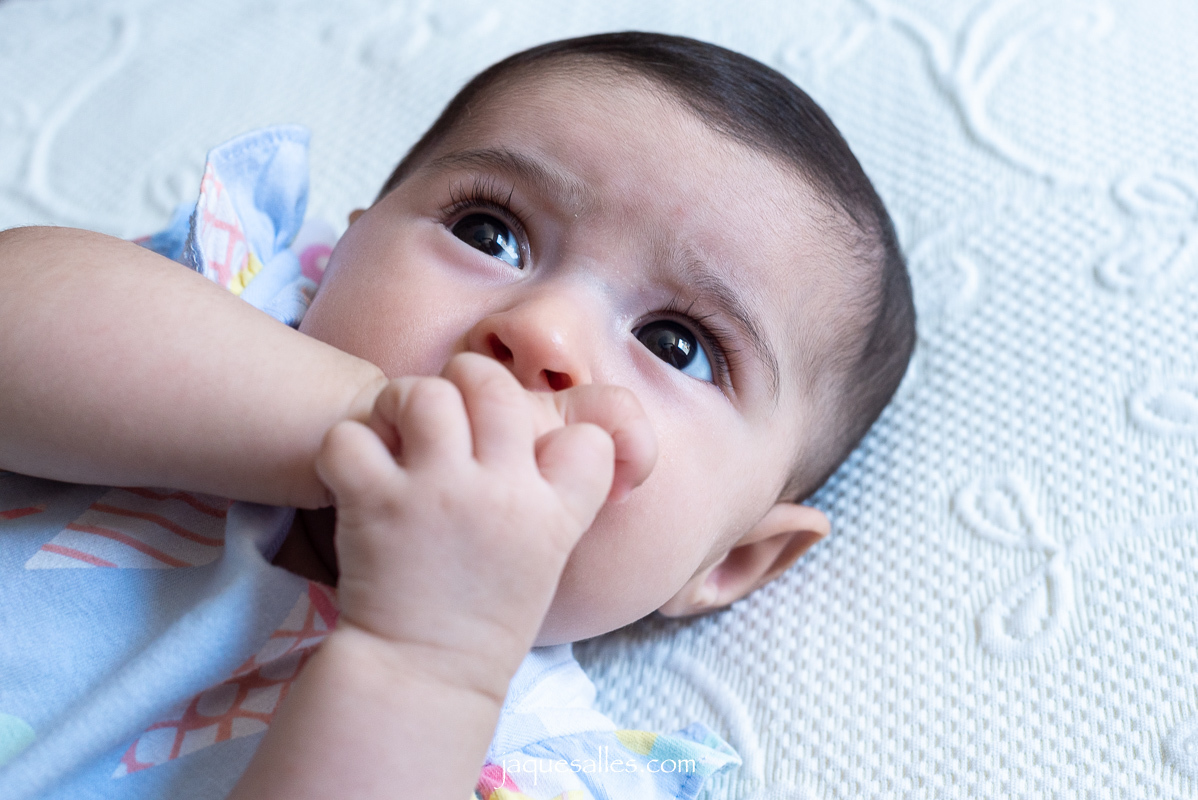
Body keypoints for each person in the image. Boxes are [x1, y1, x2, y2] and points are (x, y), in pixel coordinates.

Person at [0, 32, 914, 800]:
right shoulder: (207, 323)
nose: (541, 330)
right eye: (489, 233)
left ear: (729, 560)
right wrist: (360, 414)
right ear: (344, 250)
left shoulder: (533, 766)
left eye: (677, 344)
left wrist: (430, 662)